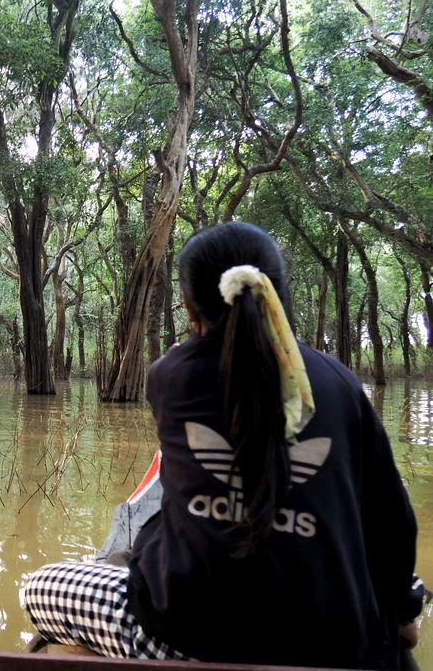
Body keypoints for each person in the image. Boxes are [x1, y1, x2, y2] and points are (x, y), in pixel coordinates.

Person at [23, 222, 424, 668]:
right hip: (333, 643)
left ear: (189, 307)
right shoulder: (340, 383)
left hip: (187, 638)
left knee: (40, 585)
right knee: (397, 593)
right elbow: (394, 523)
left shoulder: (170, 376)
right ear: (279, 295)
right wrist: (400, 610)